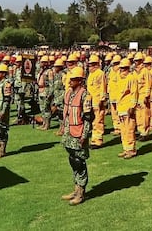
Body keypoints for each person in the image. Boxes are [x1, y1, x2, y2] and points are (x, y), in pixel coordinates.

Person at [60, 66, 94, 205]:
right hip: (69, 133)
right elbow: (67, 114)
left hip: (79, 132)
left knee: (79, 162)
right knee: (72, 159)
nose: (70, 82)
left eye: (73, 80)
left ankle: (81, 192)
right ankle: (76, 188)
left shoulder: (85, 95)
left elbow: (87, 118)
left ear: (79, 80)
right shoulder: (69, 93)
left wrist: (84, 135)